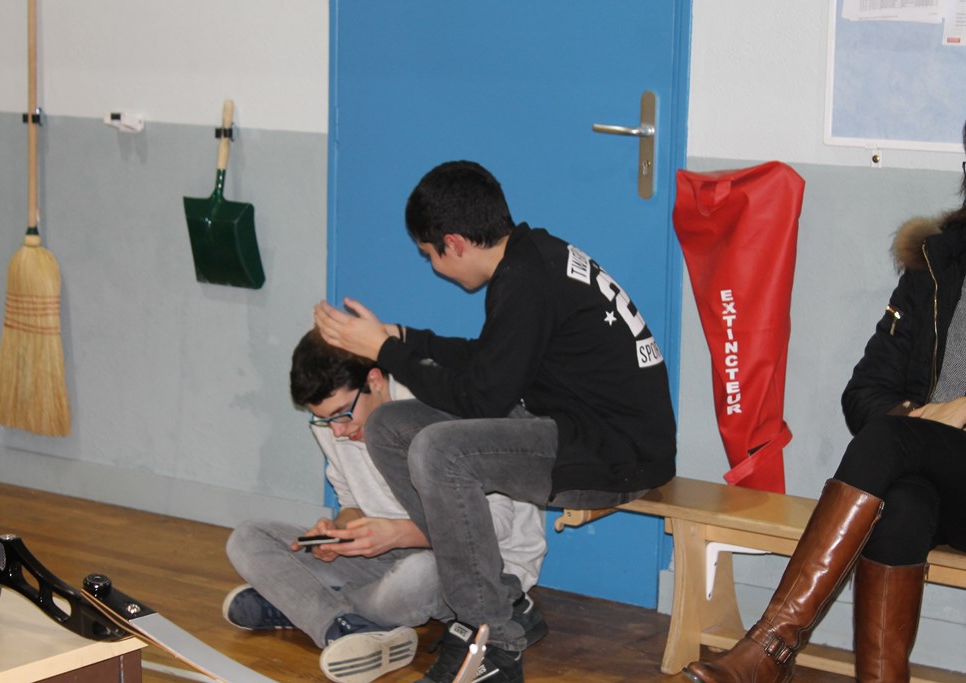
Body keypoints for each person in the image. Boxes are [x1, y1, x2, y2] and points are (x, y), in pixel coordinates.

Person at [314, 160, 677, 683]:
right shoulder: (531, 260)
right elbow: (489, 361)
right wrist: (402, 337)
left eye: (429, 255)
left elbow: (480, 398)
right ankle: (504, 603)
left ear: (454, 243)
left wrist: (387, 352)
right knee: (390, 425)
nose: (433, 266)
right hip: (581, 429)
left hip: (615, 455)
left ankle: (492, 643)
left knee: (440, 451)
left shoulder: (528, 279)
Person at [683, 124, 966, 683]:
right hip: (942, 484)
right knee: (901, 503)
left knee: (891, 445)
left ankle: (769, 648)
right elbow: (864, 394)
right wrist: (923, 419)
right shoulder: (937, 265)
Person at [223, 329, 548, 683]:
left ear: (375, 380)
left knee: (418, 575)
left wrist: (398, 535)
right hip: (385, 557)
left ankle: (303, 604)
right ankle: (341, 625)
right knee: (247, 538)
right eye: (324, 420)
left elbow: (495, 526)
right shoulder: (336, 423)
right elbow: (352, 501)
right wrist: (340, 530)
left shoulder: (441, 403)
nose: (337, 431)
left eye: (341, 414)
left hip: (476, 571)